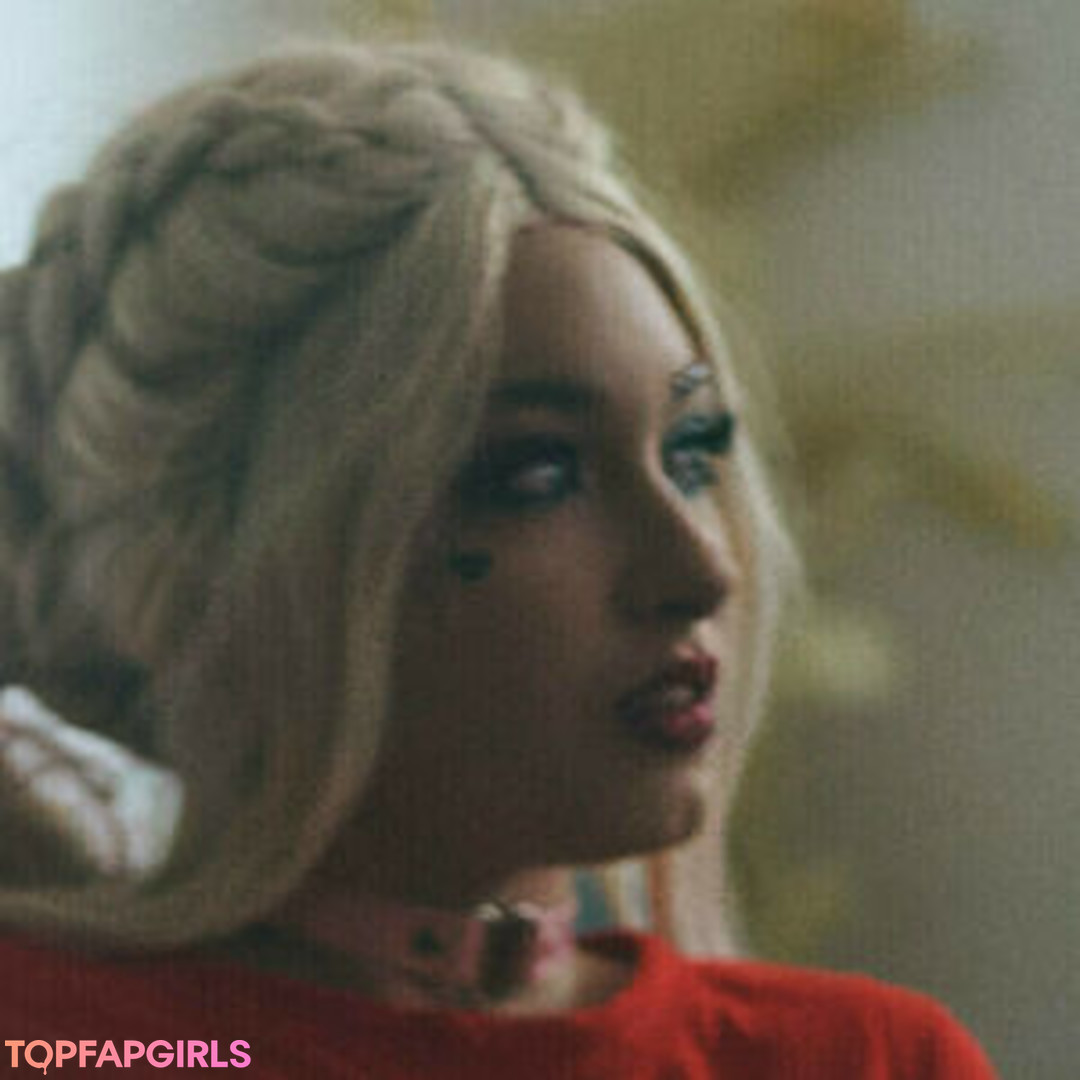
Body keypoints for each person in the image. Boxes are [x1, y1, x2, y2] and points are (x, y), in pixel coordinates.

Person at [0, 39, 997, 1078]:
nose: (701, 569)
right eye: (538, 474)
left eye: (691, 457)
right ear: (231, 561)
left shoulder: (860, 1059)